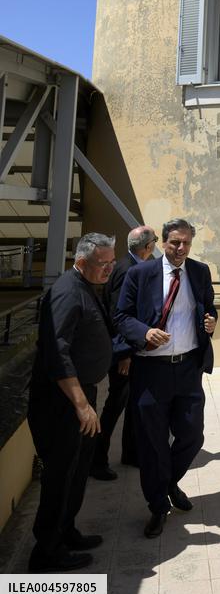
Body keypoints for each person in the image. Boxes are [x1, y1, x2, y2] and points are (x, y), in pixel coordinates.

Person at [115, 218, 217, 538]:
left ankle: (168, 482)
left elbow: (209, 307)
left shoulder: (199, 272)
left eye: (186, 242)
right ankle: (158, 506)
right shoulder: (140, 274)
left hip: (188, 368)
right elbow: (121, 316)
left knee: (192, 435)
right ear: (162, 242)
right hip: (151, 371)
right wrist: (144, 332)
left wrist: (211, 321)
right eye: (175, 242)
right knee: (153, 443)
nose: (181, 248)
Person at [27, 233, 115, 572]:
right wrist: (81, 405)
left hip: (81, 395)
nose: (109, 269)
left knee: (78, 470)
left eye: (111, 263)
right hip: (62, 403)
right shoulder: (66, 291)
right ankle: (46, 554)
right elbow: (57, 353)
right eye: (103, 264)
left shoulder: (86, 285)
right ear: (81, 262)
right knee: (61, 476)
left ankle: (66, 532)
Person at [90, 226, 158, 480]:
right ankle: (96, 460)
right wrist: (125, 354)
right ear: (148, 247)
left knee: (131, 404)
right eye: (155, 241)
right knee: (114, 406)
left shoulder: (129, 265)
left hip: (129, 350)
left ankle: (131, 453)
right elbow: (118, 315)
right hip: (123, 353)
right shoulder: (128, 270)